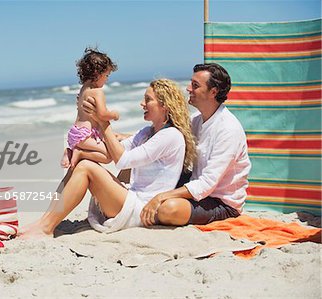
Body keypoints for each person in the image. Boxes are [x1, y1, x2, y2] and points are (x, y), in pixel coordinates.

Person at [21, 79, 196, 237]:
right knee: (81, 163)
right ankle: (44, 222)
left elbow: (122, 160)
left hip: (142, 210)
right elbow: (112, 151)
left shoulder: (171, 136)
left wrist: (103, 123)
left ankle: (45, 228)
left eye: (148, 99)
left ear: (165, 105)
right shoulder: (147, 132)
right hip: (132, 198)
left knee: (86, 168)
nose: (142, 103)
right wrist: (77, 145)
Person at [141, 63, 251, 227]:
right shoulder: (198, 120)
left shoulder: (228, 129)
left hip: (221, 204)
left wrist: (162, 196)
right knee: (141, 163)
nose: (188, 88)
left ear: (213, 92)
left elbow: (207, 184)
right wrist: (123, 137)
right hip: (196, 187)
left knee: (168, 210)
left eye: (195, 85)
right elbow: (165, 137)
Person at [61, 47, 120, 169]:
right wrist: (114, 115)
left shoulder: (83, 89)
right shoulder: (97, 92)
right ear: (97, 74)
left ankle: (74, 150)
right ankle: (79, 152)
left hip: (76, 133)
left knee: (109, 147)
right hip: (84, 136)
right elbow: (102, 114)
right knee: (109, 156)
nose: (107, 79)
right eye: (106, 75)